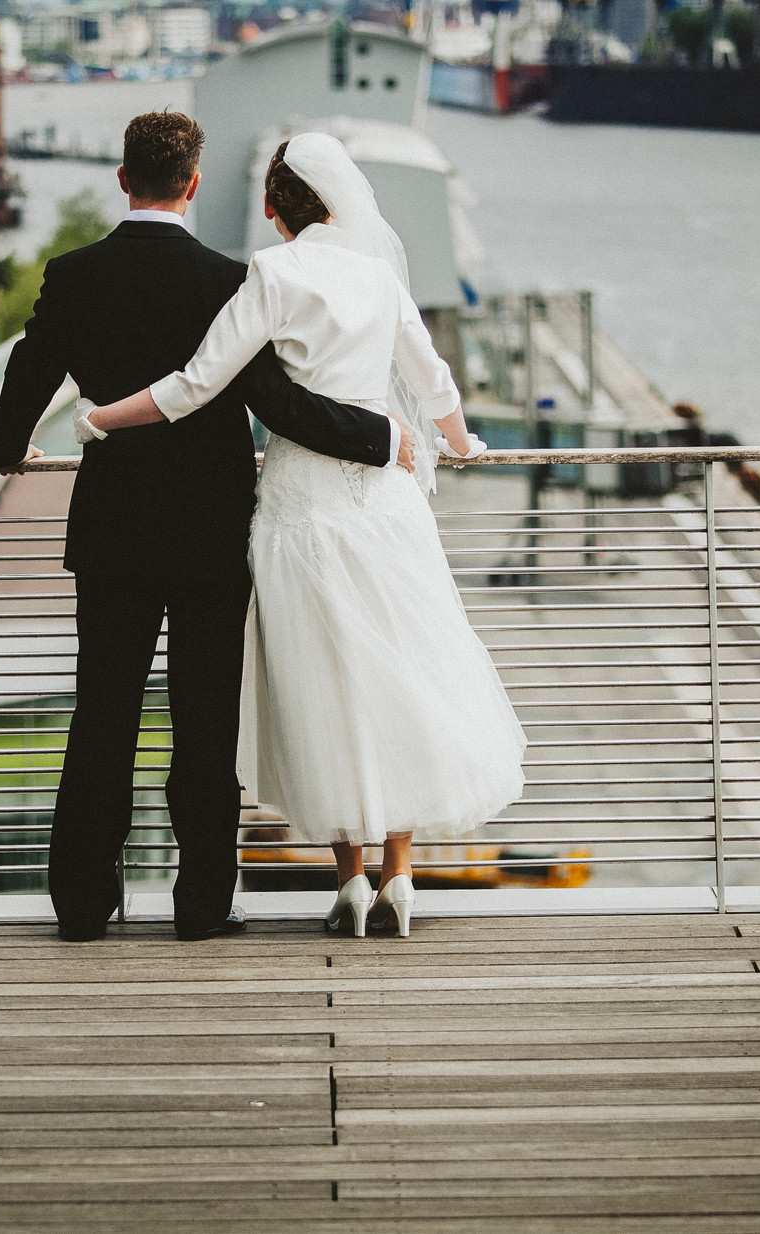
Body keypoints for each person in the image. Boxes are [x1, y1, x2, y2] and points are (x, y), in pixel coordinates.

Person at [75, 132, 526, 938]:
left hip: (297, 507)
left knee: (329, 680)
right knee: (398, 670)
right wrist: (461, 446)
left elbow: (195, 384)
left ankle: (348, 878)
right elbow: (432, 383)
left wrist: (100, 418)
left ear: (271, 207)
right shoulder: (380, 276)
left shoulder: (271, 273)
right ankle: (398, 875)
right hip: (383, 506)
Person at [0, 112, 414, 944]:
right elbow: (275, 403)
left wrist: (5, 445)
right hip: (212, 529)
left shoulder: (74, 273)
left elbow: (30, 366)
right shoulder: (227, 279)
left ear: (121, 177)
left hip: (111, 530)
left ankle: (80, 904)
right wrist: (383, 438)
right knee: (203, 719)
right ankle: (204, 903)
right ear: (193, 184)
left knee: (102, 711)